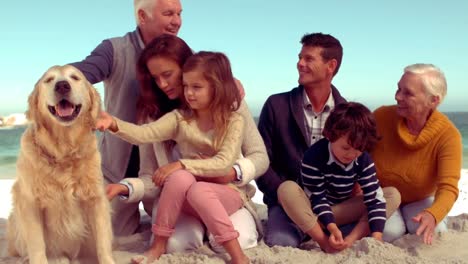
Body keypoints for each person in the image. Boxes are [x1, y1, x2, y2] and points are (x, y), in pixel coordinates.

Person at [106, 35, 267, 252]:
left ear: (186, 68)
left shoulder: (230, 105)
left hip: (223, 192)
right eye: (155, 78)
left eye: (168, 74)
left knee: (240, 241)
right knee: (178, 244)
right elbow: (151, 175)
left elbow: (259, 156)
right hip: (178, 203)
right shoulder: (154, 115)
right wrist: (125, 187)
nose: (162, 84)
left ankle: (219, 234)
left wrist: (231, 173)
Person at [71, 0, 183, 236]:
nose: (176, 21)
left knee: (175, 229)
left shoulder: (180, 51)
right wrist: (57, 78)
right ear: (142, 16)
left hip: (160, 170)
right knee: (106, 234)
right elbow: (84, 73)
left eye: (179, 14)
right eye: (168, 13)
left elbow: (205, 77)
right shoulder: (114, 49)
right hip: (117, 167)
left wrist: (228, 81)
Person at [256, 32, 347, 247]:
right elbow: (260, 161)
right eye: (299, 57)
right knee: (281, 242)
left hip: (331, 205)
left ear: (330, 66)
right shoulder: (276, 105)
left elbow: (357, 164)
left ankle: (316, 231)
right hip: (286, 200)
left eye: (309, 59)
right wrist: (283, 197)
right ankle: (312, 232)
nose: (300, 64)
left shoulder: (346, 112)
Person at [277, 102, 401, 252]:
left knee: (391, 195)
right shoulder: (314, 156)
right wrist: (332, 227)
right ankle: (323, 241)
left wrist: (377, 237)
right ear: (330, 135)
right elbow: (317, 198)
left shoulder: (363, 159)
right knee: (286, 189)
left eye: (359, 149)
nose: (351, 154)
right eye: (346, 148)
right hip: (313, 211)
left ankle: (349, 239)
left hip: (340, 210)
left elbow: (374, 199)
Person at [371, 63, 462, 245]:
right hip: (383, 195)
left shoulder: (448, 135)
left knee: (429, 232)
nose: (397, 97)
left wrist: (433, 214)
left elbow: (448, 188)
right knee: (389, 233)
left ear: (433, 100)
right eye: (398, 89)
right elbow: (355, 155)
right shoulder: (381, 117)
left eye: (408, 93)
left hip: (420, 200)